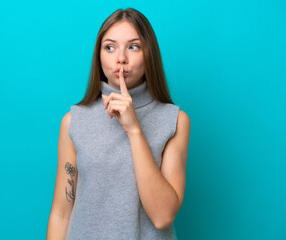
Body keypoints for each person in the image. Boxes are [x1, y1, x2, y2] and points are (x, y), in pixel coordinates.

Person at [47, 8, 191, 240]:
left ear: (149, 54)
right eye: (110, 47)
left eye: (133, 46)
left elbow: (163, 216)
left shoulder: (174, 120)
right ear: (99, 55)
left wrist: (134, 128)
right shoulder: (74, 121)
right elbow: (61, 213)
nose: (120, 58)